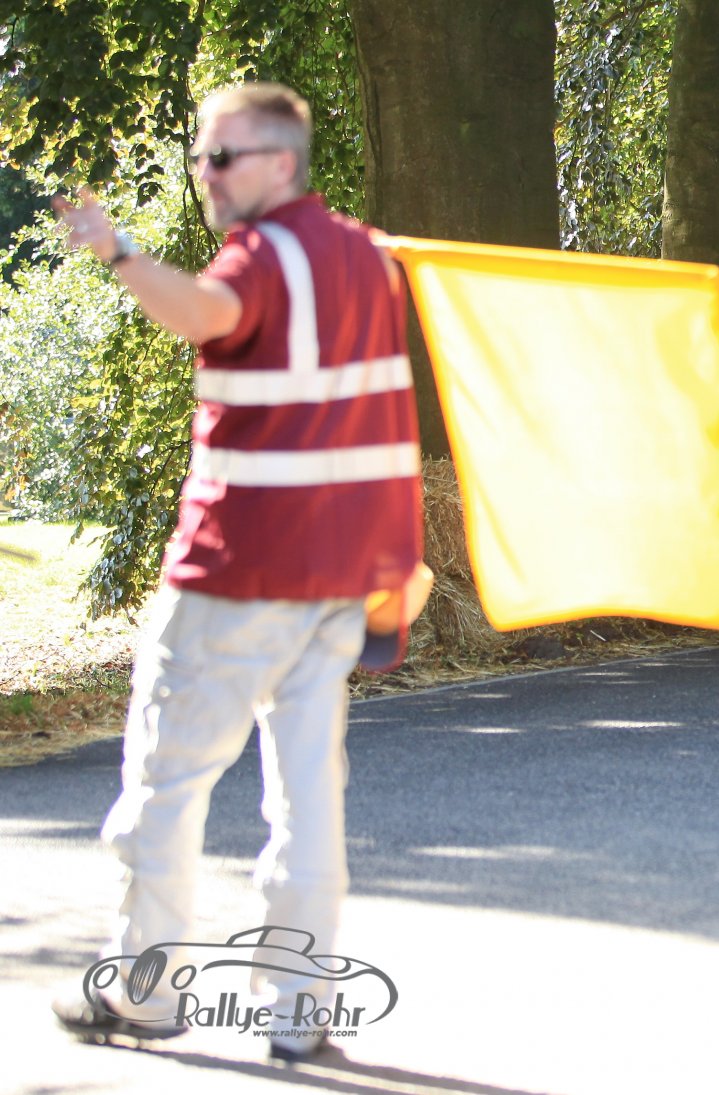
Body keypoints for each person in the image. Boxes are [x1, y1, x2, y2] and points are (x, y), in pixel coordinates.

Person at [49, 81, 422, 1065]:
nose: (205, 175)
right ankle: (302, 1008)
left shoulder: (261, 255)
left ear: (281, 164)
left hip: (237, 571)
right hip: (337, 577)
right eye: (200, 157)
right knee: (308, 796)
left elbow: (205, 313)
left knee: (166, 781)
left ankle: (144, 992)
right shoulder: (368, 258)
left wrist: (119, 252)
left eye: (223, 158)